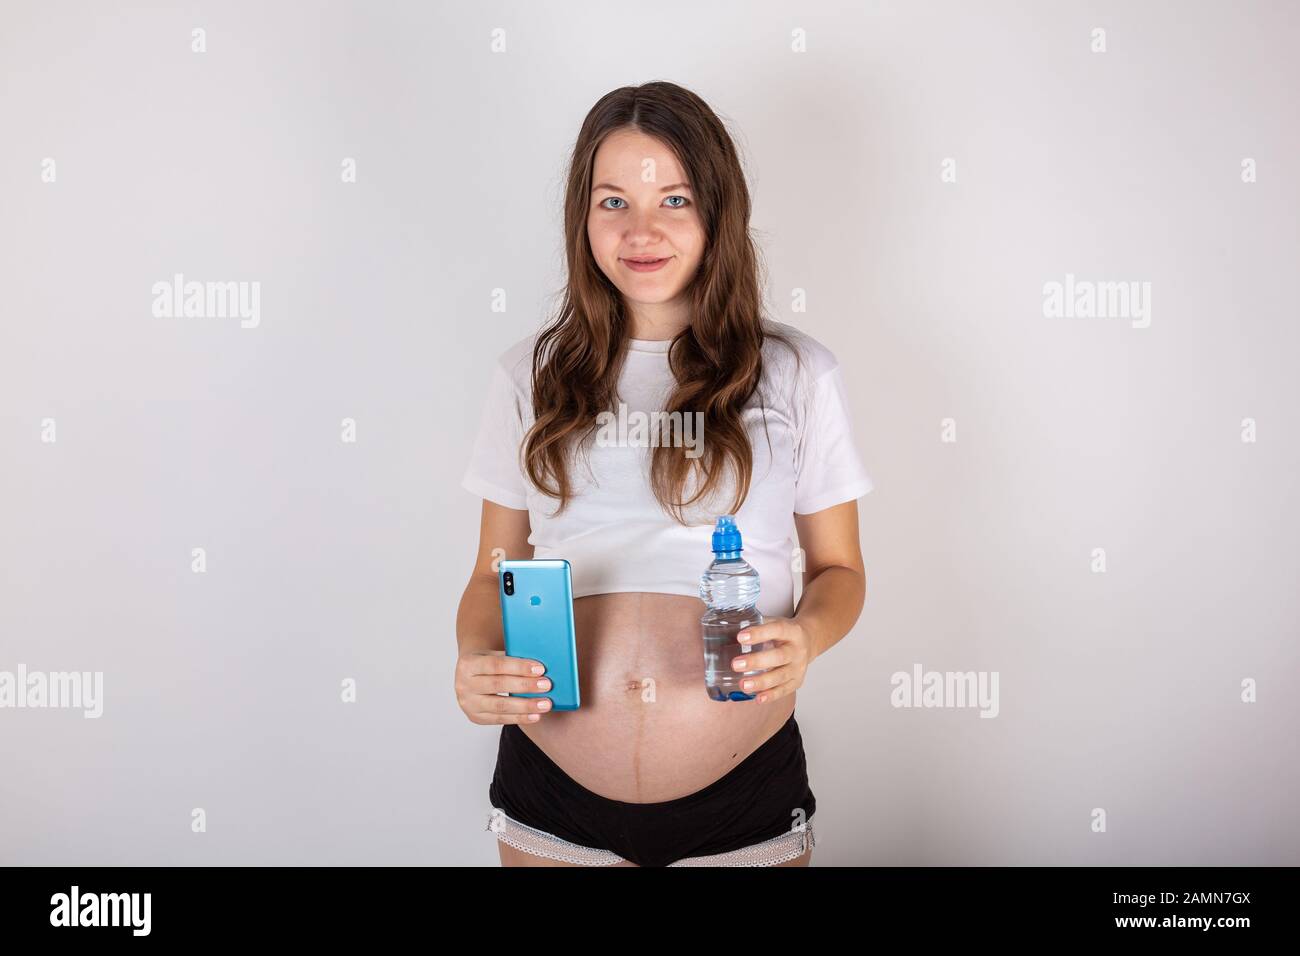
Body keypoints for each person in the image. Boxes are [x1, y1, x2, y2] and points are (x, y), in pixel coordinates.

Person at [454, 81, 874, 867]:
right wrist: (477, 658)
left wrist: (807, 636)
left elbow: (840, 569)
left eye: (673, 199)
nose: (641, 230)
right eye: (613, 202)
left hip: (742, 794)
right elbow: (489, 577)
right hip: (551, 794)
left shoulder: (797, 374)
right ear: (582, 217)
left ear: (719, 211)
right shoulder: (529, 377)